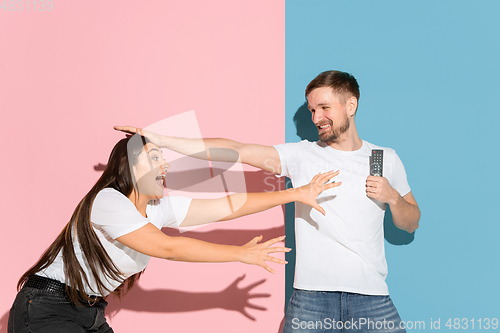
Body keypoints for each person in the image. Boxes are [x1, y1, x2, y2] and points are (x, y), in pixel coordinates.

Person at [119, 70, 421, 332]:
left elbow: (410, 223)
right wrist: (163, 140)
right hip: (311, 297)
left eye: (324, 108)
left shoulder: (385, 159)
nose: (316, 118)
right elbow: (235, 150)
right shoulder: (301, 155)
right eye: (312, 110)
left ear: (351, 105)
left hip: (371, 294)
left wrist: (393, 197)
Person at [7, 132, 340, 333]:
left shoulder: (157, 210)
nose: (165, 166)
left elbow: (228, 205)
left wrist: (294, 193)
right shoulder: (108, 201)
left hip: (90, 312)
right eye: (155, 158)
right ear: (130, 166)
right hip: (47, 306)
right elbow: (166, 248)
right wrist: (240, 253)